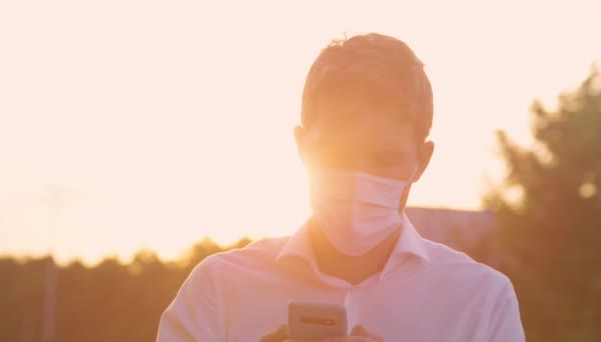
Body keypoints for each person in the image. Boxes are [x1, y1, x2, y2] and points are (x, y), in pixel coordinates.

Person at [156, 33, 525, 341]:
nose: (357, 179)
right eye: (337, 153)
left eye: (383, 161)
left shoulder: (482, 302)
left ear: (421, 162)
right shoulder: (219, 290)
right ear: (301, 148)